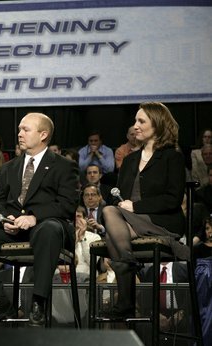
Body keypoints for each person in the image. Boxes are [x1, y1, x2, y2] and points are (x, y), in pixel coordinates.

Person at [0, 112, 79, 326]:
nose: (19, 134)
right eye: (19, 130)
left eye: (25, 129)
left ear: (43, 134)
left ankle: (39, 301)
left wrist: (35, 217)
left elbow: (67, 204)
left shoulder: (63, 165)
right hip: (14, 228)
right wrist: (3, 218)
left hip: (47, 227)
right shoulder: (9, 168)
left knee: (49, 229)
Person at [101, 102, 186, 318]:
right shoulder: (129, 160)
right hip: (129, 223)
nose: (135, 126)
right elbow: (120, 194)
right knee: (112, 215)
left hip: (161, 221)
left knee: (110, 216)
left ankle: (125, 297)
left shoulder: (172, 156)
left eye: (141, 121)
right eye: (135, 121)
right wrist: (121, 202)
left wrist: (135, 206)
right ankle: (126, 262)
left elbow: (172, 200)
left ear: (156, 125)